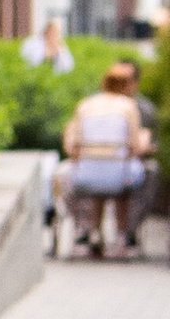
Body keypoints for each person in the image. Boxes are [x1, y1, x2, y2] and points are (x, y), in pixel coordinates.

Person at [59, 60, 154, 256]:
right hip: (121, 174)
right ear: (129, 85)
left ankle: (89, 229)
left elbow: (70, 144)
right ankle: (125, 233)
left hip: (85, 173)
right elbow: (135, 146)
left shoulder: (86, 105)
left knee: (87, 179)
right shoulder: (128, 106)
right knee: (139, 175)